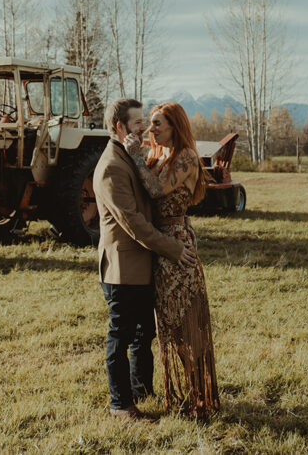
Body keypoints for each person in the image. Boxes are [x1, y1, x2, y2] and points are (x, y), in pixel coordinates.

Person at [94, 97, 198, 422]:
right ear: (120, 127)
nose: (143, 127)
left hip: (142, 267)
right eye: (138, 122)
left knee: (143, 335)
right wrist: (173, 247)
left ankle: (142, 390)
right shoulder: (112, 165)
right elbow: (135, 224)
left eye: (145, 121)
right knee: (120, 337)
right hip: (123, 269)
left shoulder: (130, 156)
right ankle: (120, 406)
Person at [123, 101, 220, 420]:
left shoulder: (187, 157)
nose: (151, 129)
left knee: (182, 324)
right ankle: (185, 395)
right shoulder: (158, 155)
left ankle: (199, 398)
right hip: (158, 245)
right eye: (149, 123)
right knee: (165, 322)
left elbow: (153, 189)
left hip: (176, 247)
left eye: (156, 124)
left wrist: (135, 155)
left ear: (174, 126)